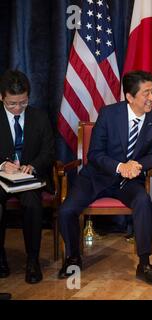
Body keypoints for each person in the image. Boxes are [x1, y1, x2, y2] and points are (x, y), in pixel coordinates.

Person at [58, 71, 152, 286]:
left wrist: (138, 165)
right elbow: (94, 154)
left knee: (144, 202)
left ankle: (144, 264)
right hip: (96, 178)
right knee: (66, 210)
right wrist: (120, 166)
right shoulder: (108, 114)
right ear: (129, 96)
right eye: (146, 93)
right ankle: (73, 257)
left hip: (128, 182)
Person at [0, 69, 55, 284]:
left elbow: (49, 151)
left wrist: (32, 166)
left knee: (32, 203)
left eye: (22, 103)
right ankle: (0, 257)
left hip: (30, 179)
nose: (17, 108)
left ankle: (33, 260)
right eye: (11, 103)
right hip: (2, 178)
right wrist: (3, 164)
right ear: (2, 97)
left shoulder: (39, 117)